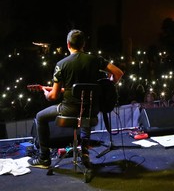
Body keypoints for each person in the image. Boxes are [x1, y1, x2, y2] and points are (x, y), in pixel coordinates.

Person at [28, 29, 124, 169]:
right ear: (83, 44)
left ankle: (44, 158)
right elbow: (118, 73)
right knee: (86, 109)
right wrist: (106, 87)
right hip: (90, 110)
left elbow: (53, 96)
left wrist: (45, 93)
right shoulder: (96, 60)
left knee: (40, 117)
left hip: (69, 110)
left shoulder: (61, 64)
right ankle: (84, 151)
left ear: (68, 45)